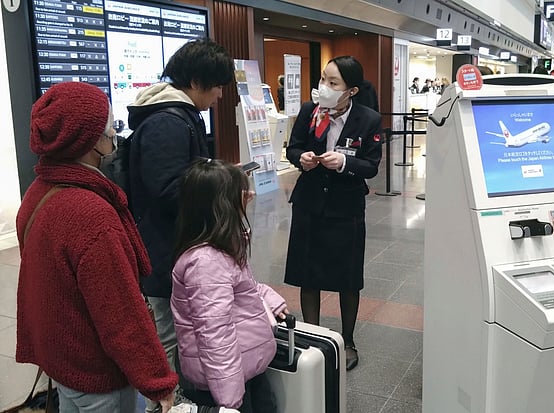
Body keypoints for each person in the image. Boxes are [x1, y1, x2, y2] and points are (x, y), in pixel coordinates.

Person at [15, 81, 178, 412]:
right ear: (90, 141)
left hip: (63, 362)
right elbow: (120, 312)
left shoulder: (38, 192)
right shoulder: (91, 214)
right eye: (109, 130)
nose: (114, 138)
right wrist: (157, 380)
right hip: (98, 375)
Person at [127, 38, 235, 413]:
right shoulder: (167, 122)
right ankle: (165, 404)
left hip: (174, 246)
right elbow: (169, 189)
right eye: (216, 86)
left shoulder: (179, 115)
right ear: (195, 80)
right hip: (163, 250)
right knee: (167, 334)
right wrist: (221, 189)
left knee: (174, 329)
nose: (219, 95)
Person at [284, 56, 383, 371]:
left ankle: (347, 341)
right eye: (323, 79)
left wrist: (344, 163)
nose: (323, 87)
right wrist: (303, 158)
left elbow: (371, 165)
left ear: (350, 91)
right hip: (309, 203)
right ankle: (312, 337)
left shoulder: (368, 119)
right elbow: (293, 148)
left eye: (332, 82)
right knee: (308, 274)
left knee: (347, 278)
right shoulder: (309, 111)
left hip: (346, 207)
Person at [171, 158, 288, 412]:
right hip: (226, 384)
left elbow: (240, 287)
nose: (250, 196)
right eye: (242, 193)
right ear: (221, 206)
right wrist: (229, 403)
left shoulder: (221, 247)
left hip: (243, 369)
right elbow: (215, 335)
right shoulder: (205, 263)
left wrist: (268, 298)